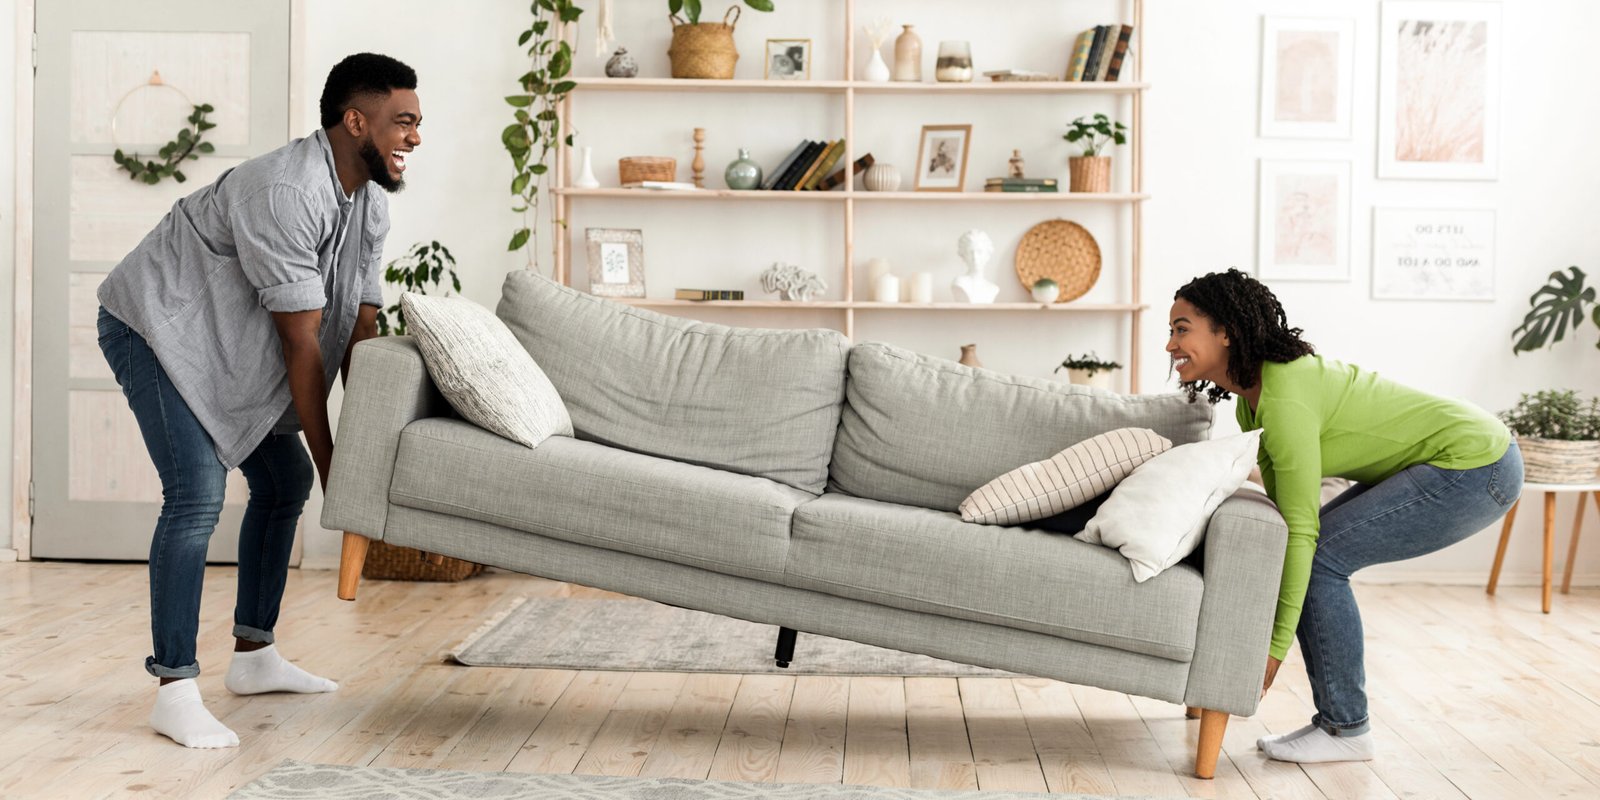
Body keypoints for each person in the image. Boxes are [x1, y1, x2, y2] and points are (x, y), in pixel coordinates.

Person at [94, 53, 422, 748]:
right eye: (403, 121)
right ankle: (174, 685)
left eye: (417, 123)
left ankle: (255, 655)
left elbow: (360, 328)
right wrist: (340, 475)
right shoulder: (285, 191)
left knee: (282, 479)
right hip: (155, 327)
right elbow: (301, 345)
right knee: (197, 494)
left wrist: (360, 457)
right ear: (355, 120)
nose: (414, 137)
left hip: (223, 339)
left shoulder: (368, 203)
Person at [1166, 269, 1521, 763]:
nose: (1170, 344)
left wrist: (1272, 649)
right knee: (1318, 552)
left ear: (1225, 331)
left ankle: (1345, 729)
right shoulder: (1254, 402)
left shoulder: (1283, 394)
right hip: (1456, 459)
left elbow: (1301, 530)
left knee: (1322, 557)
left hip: (1476, 465)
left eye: (1182, 328)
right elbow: (1284, 504)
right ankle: (1339, 725)